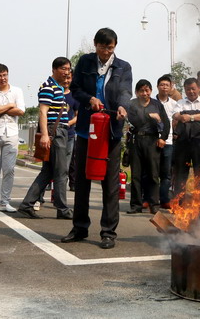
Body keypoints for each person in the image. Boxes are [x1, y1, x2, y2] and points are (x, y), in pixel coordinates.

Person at [61, 27, 132, 250]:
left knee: (110, 183)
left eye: (110, 48)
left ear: (115, 46)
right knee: (82, 180)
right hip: (87, 129)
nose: (105, 52)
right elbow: (75, 89)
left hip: (111, 130)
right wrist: (90, 99)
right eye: (102, 47)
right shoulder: (85, 62)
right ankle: (79, 228)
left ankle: (108, 232)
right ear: (95, 44)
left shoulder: (123, 67)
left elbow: (125, 91)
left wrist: (122, 106)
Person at [17, 57, 74, 220]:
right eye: (63, 69)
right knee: (61, 171)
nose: (66, 72)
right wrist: (44, 135)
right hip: (55, 132)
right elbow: (43, 112)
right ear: (54, 69)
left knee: (48, 171)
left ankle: (27, 205)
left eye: (68, 69)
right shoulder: (49, 87)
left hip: (58, 131)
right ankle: (62, 209)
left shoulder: (58, 87)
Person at [0, 63, 25, 212]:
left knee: (9, 169)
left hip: (12, 134)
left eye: (5, 75)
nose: (3, 78)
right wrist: (9, 106)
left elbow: (21, 111)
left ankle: (5, 201)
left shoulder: (17, 91)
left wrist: (0, 109)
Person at [126, 79, 169, 215]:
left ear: (151, 90)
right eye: (141, 91)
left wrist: (163, 138)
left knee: (153, 174)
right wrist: (150, 116)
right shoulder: (132, 104)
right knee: (136, 175)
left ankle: (154, 204)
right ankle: (136, 205)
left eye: (147, 90)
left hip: (152, 141)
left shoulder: (157, 104)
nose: (144, 93)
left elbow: (166, 122)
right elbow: (135, 121)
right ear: (136, 92)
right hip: (136, 140)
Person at [172, 77, 200, 198]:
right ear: (185, 90)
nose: (191, 91)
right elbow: (176, 115)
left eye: (193, 88)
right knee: (180, 173)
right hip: (183, 143)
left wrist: (190, 117)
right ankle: (179, 202)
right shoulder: (180, 103)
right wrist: (188, 117)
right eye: (188, 89)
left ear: (198, 88)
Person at [156, 74, 179, 208]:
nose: (164, 87)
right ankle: (150, 199)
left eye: (167, 85)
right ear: (158, 86)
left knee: (166, 174)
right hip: (153, 141)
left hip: (168, 142)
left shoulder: (174, 104)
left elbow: (176, 119)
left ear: (171, 87)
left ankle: (164, 200)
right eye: (162, 85)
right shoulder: (152, 102)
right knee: (151, 172)